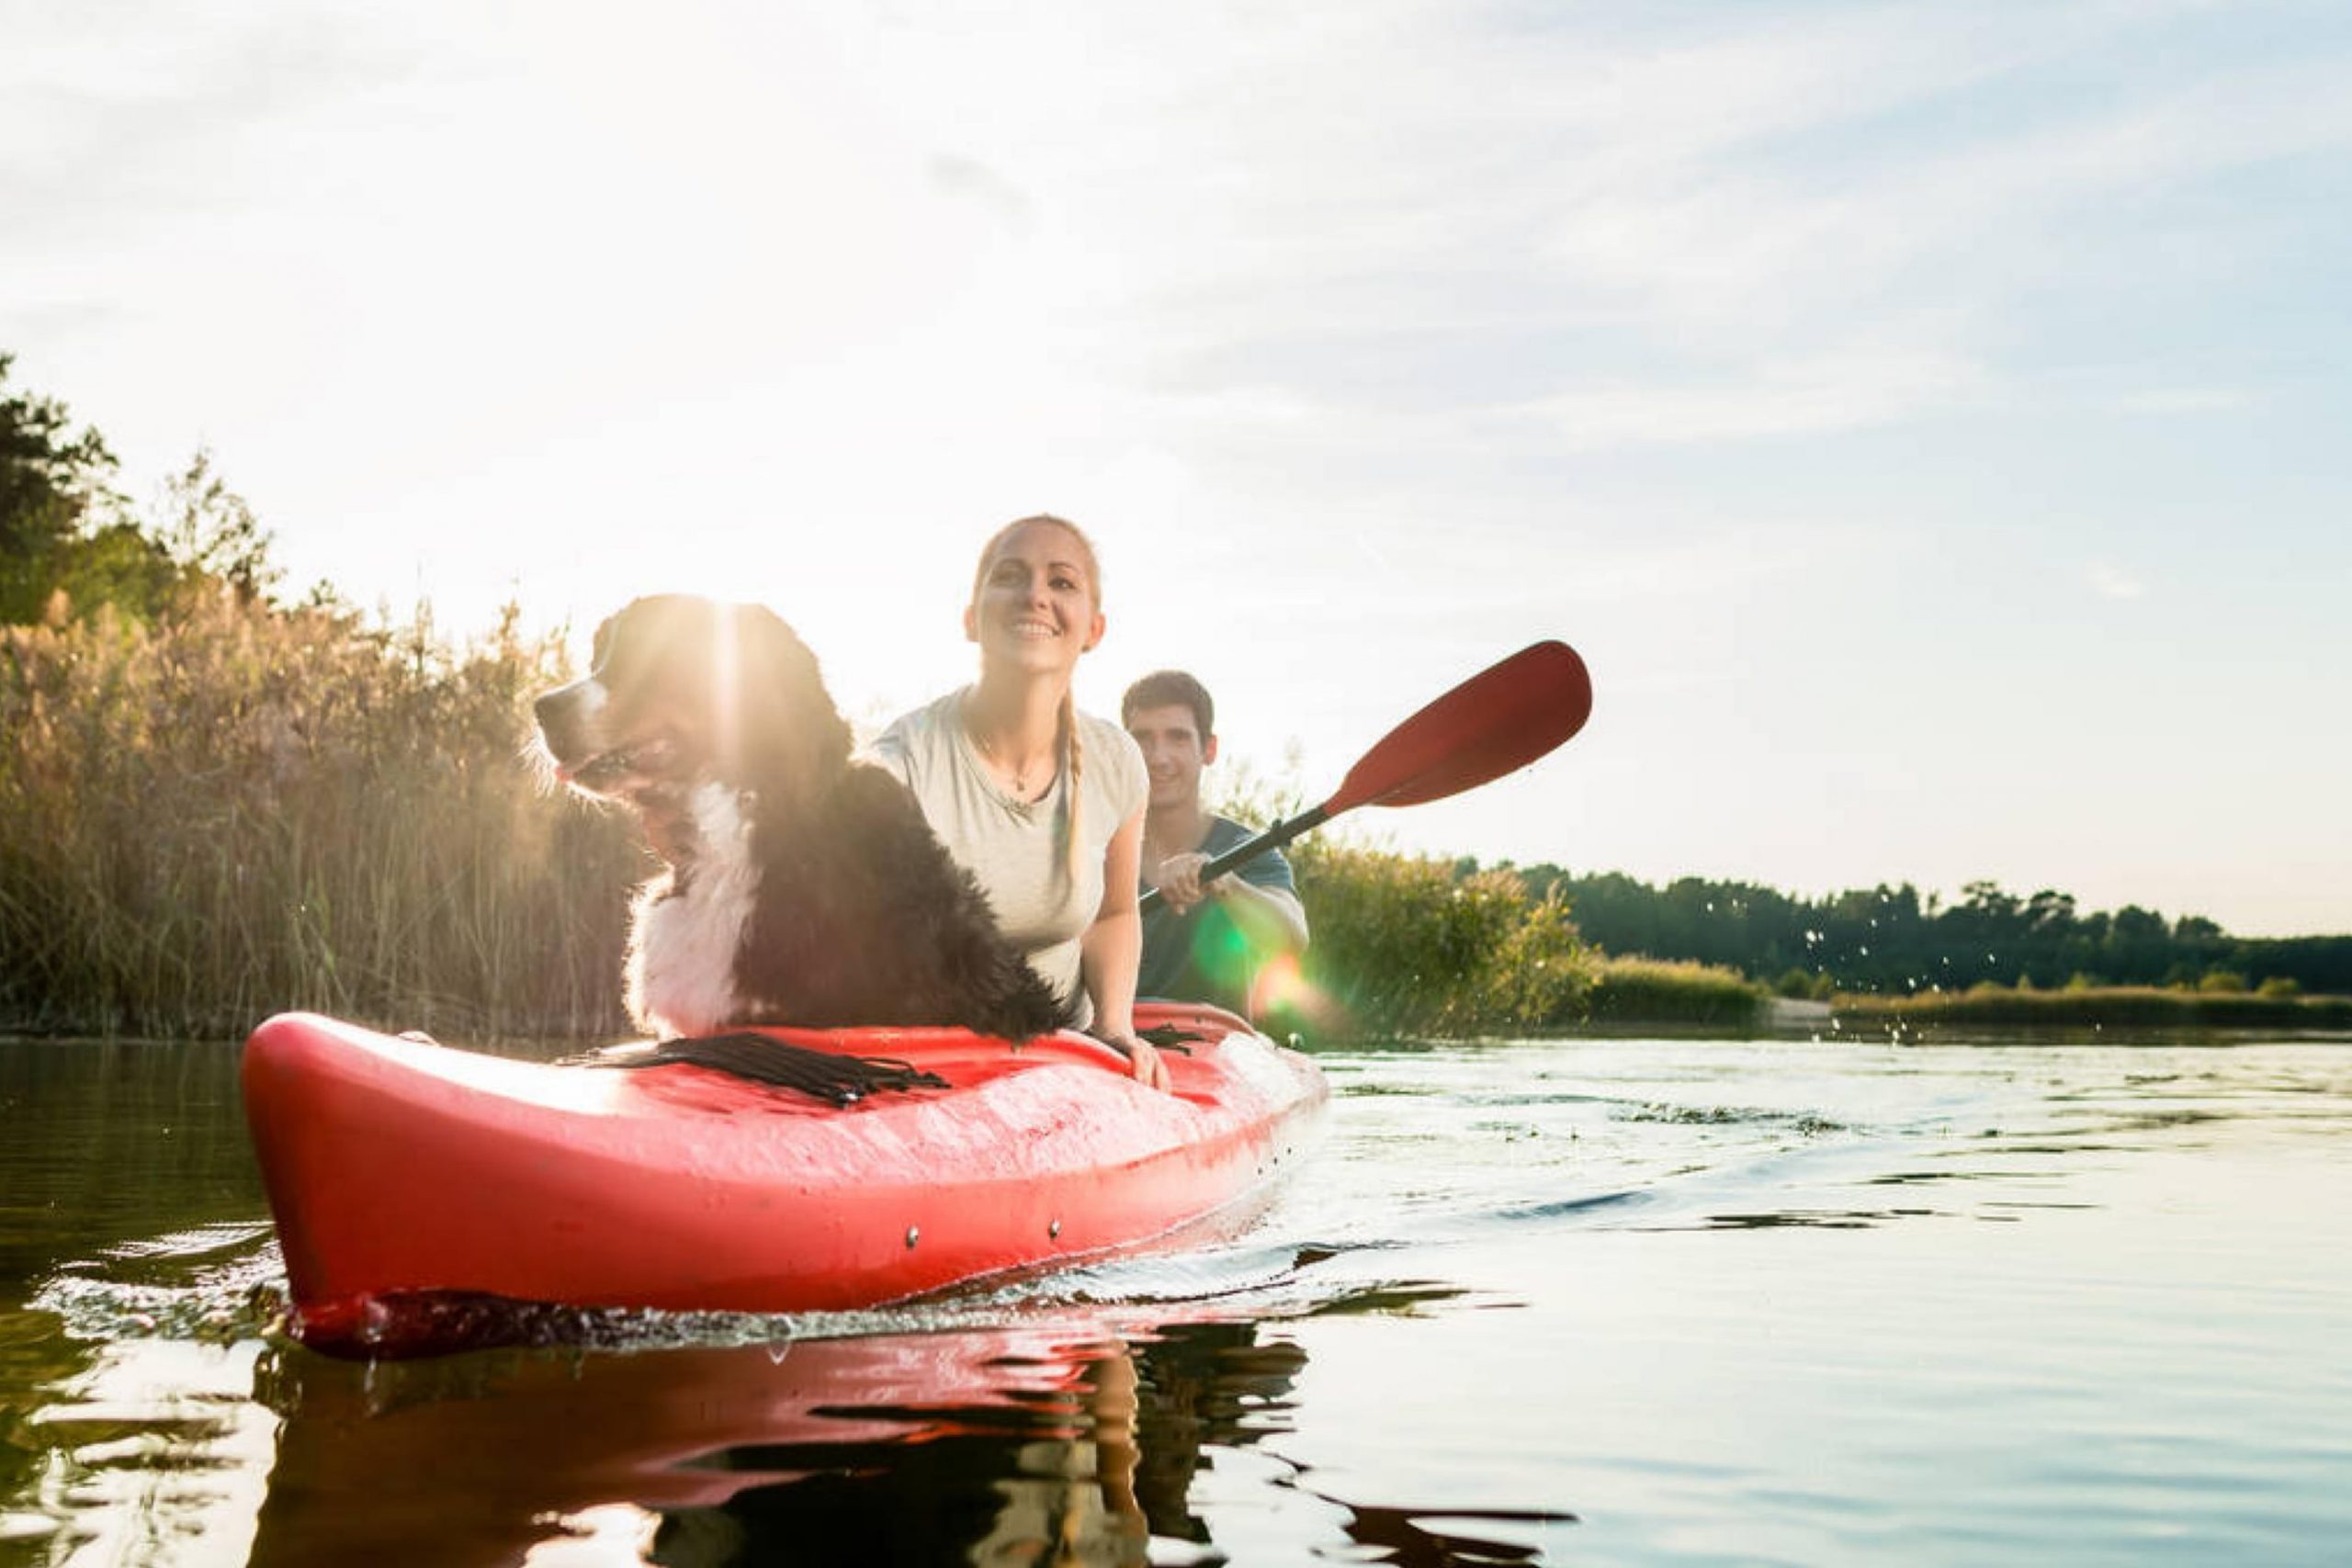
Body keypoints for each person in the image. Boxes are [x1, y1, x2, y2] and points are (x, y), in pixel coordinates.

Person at [868, 515, 1168, 1089]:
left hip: (1066, 1061)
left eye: (1061, 582)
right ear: (970, 619)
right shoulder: (900, 762)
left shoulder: (1117, 761)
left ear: (1094, 629)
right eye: (1010, 576)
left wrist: (1115, 1028)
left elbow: (1113, 913)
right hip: (928, 1068)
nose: (1034, 595)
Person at [1122, 671, 1309, 1019]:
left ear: (1209, 749)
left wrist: (1224, 884)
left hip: (1213, 1046)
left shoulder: (1248, 849)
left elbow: (1292, 938)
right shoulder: (1091, 850)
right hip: (1107, 1049)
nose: (1158, 757)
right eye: (1143, 739)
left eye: (1177, 738)